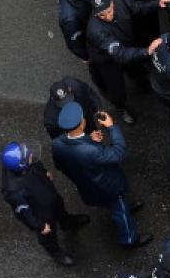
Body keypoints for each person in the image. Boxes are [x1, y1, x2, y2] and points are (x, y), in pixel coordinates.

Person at [49, 103, 152, 249]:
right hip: (108, 187)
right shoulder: (90, 152)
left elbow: (61, 165)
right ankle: (129, 239)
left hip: (87, 186)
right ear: (81, 123)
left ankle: (126, 207)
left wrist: (90, 141)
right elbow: (119, 153)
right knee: (120, 211)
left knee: (112, 204)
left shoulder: (57, 143)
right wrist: (112, 127)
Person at [0, 141, 90, 266]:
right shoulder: (13, 190)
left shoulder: (24, 164)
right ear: (22, 165)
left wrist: (44, 172)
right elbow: (23, 212)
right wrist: (39, 226)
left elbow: (37, 165)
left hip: (49, 195)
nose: (31, 154)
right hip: (41, 213)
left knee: (59, 207)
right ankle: (55, 252)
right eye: (29, 155)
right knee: (48, 235)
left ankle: (66, 222)